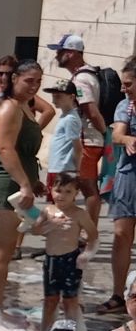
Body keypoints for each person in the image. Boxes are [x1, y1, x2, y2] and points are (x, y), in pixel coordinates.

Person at [0, 60, 45, 306]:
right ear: (15, 78)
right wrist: (24, 184)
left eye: (38, 81)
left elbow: (21, 152)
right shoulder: (9, 108)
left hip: (10, 185)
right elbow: (5, 149)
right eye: (29, 80)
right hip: (5, 186)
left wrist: (32, 182)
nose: (34, 86)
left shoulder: (22, 107)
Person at [14, 173, 96, 331]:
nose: (62, 195)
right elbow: (36, 230)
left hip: (71, 260)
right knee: (50, 299)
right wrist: (51, 224)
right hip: (51, 260)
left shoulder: (79, 214)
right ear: (51, 190)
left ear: (76, 193)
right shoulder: (48, 211)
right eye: (58, 191)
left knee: (70, 300)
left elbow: (93, 235)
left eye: (68, 192)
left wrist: (86, 254)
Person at [51, 33, 110, 218]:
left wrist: (104, 134)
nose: (56, 56)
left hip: (87, 139)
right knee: (82, 186)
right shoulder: (87, 74)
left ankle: (89, 231)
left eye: (59, 52)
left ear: (71, 53)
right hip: (90, 139)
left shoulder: (81, 80)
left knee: (87, 187)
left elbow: (91, 111)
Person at [101, 57, 136, 317]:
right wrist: (127, 140)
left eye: (129, 84)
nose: (123, 88)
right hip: (129, 174)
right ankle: (117, 293)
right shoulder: (126, 106)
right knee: (122, 234)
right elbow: (117, 134)